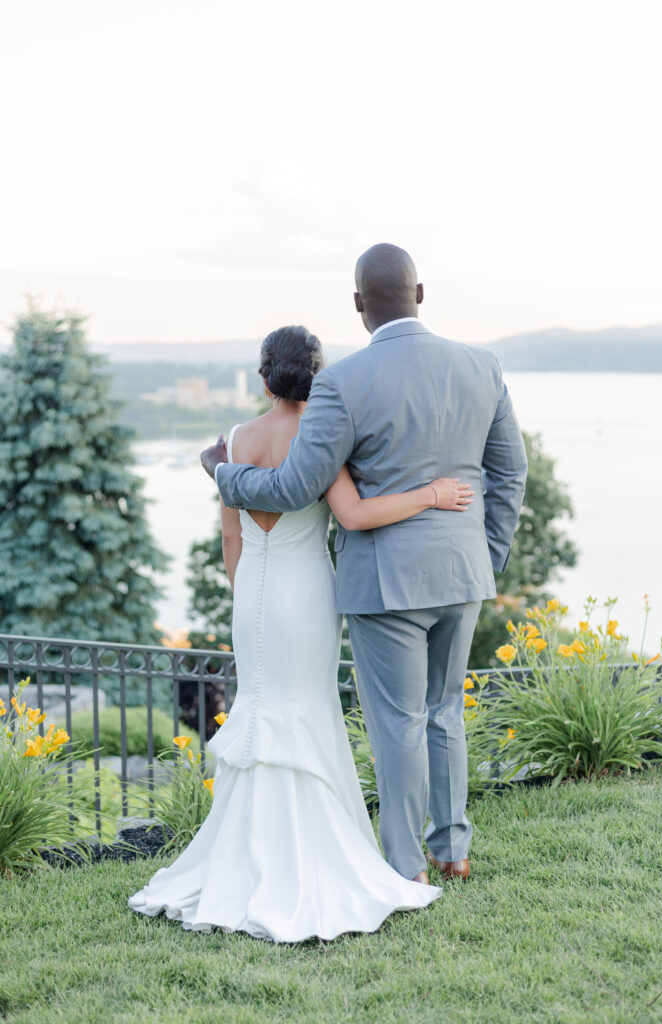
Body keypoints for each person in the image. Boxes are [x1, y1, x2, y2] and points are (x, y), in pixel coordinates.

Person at [129, 324, 474, 942]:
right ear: (316, 378)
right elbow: (356, 515)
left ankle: (246, 858)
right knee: (308, 709)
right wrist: (432, 494)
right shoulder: (321, 437)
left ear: (265, 378)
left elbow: (232, 541)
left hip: (253, 595)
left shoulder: (234, 440)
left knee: (259, 708)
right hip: (309, 593)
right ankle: (311, 858)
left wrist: (250, 593)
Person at [203, 244, 528, 887]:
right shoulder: (482, 366)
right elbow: (509, 475)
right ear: (421, 292)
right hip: (462, 573)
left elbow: (293, 488)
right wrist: (483, 557)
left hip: (385, 583)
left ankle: (406, 866)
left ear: (358, 307)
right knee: (445, 714)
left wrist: (222, 470)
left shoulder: (343, 383)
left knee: (400, 723)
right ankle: (453, 849)